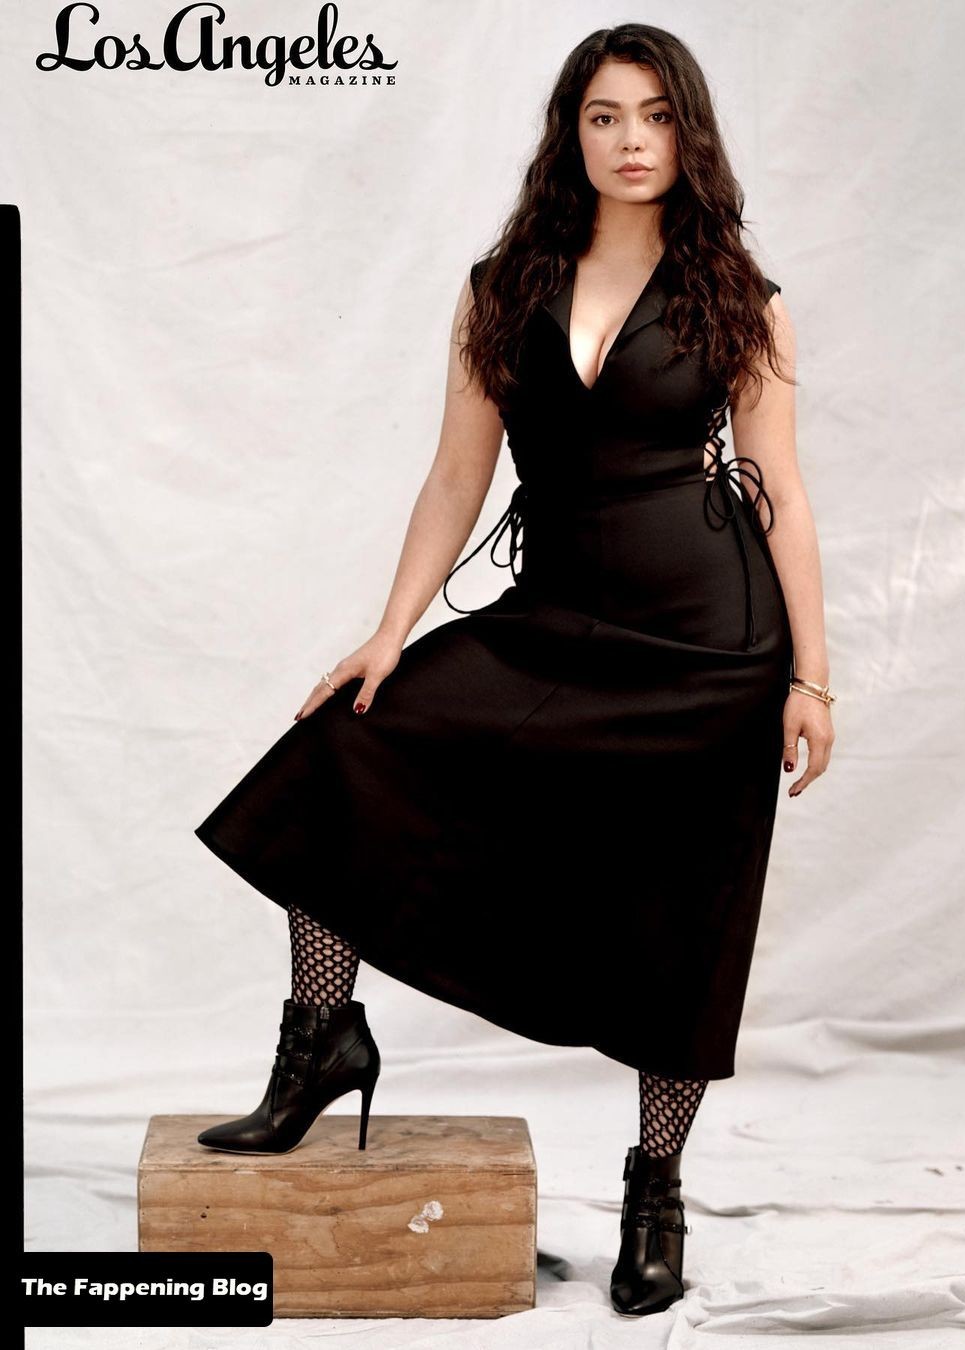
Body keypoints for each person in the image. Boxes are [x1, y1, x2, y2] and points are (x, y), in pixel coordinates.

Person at [193, 22, 835, 1318]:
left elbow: (782, 491)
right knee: (346, 750)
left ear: (690, 132)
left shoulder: (737, 297)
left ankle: (656, 1186)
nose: (633, 140)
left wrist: (811, 679)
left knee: (685, 916)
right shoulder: (502, 289)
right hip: (553, 622)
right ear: (570, 134)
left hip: (710, 646)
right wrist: (390, 631)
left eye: (657, 115)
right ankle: (323, 1038)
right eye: (606, 116)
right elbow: (456, 475)